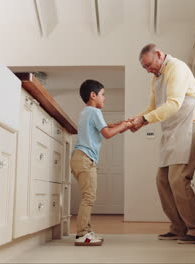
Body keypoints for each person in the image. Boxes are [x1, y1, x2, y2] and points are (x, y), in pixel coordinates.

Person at [129, 44, 195, 244]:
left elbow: (174, 103)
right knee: (163, 180)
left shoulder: (177, 68)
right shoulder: (156, 78)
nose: (148, 70)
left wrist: (145, 120)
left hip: (191, 126)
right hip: (174, 131)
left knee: (178, 179)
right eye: (145, 68)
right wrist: (136, 119)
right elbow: (152, 107)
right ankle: (178, 226)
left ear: (158, 54)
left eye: (149, 65)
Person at [71, 79, 133, 246]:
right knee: (89, 197)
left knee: (88, 196)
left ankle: (86, 231)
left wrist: (121, 125)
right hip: (85, 159)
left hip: (78, 158)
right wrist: (125, 125)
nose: (105, 98)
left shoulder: (86, 112)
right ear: (93, 95)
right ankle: (82, 234)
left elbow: (105, 127)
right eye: (103, 95)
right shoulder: (95, 112)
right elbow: (107, 133)